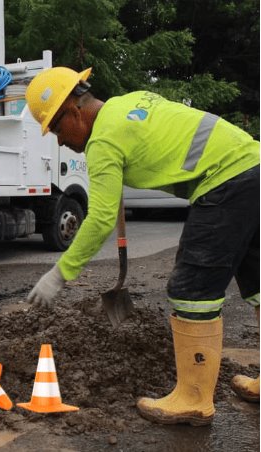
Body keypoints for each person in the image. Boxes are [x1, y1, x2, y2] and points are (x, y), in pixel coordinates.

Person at [24, 67, 260, 425]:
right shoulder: (128, 103)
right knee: (257, 282)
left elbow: (100, 220)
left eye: (56, 129)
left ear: (73, 110)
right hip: (253, 165)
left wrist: (59, 274)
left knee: (191, 290)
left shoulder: (102, 141)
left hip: (225, 180)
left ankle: (194, 400)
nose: (59, 141)